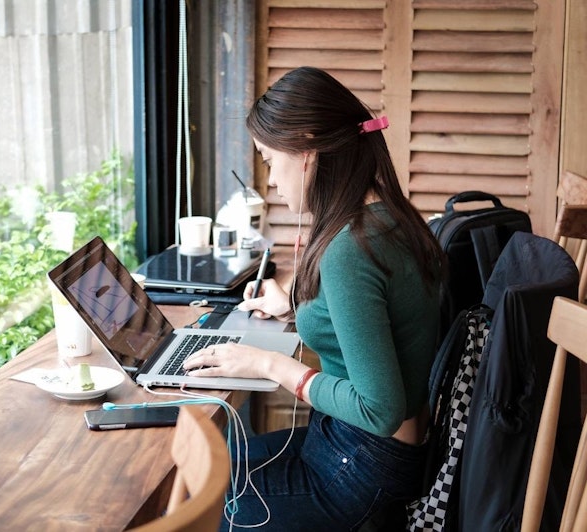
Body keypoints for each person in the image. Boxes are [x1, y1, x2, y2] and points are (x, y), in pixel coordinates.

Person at [183, 66, 445, 530]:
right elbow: (383, 316)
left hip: (363, 462)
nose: (271, 181)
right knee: (212, 462)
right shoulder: (390, 217)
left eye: (268, 160)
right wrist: (300, 308)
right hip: (362, 448)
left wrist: (267, 365)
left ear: (306, 148)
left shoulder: (351, 249)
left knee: (202, 496)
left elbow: (378, 410)